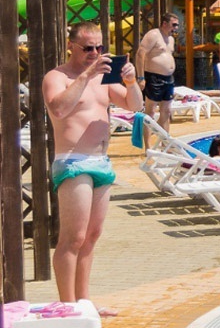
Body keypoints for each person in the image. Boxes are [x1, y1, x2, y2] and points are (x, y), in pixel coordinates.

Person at [43, 22, 143, 309]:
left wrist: (131, 82)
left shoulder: (104, 78)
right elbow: (58, 109)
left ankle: (83, 302)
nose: (95, 53)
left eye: (99, 47)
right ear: (71, 46)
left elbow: (135, 106)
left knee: (91, 237)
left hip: (101, 162)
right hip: (73, 162)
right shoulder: (57, 77)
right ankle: (67, 306)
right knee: (73, 237)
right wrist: (87, 75)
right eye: (88, 48)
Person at [135, 12, 179, 137]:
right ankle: (148, 145)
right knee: (150, 112)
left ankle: (165, 142)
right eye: (174, 25)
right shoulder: (153, 35)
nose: (176, 28)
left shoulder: (171, 39)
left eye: (177, 25)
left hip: (168, 78)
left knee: (166, 111)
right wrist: (141, 77)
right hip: (153, 77)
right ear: (164, 23)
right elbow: (140, 54)